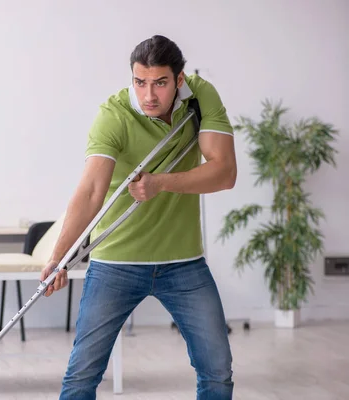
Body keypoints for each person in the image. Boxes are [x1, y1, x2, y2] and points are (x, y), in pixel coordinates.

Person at [40, 35, 237, 400]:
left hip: (184, 263)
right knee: (82, 375)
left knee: (217, 371)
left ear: (179, 80)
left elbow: (225, 173)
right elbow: (90, 193)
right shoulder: (114, 115)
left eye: (160, 83)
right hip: (115, 263)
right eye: (140, 82)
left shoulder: (200, 95)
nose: (149, 95)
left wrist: (161, 183)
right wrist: (58, 258)